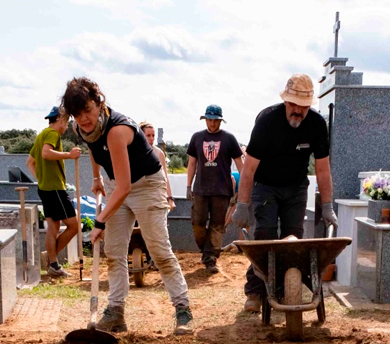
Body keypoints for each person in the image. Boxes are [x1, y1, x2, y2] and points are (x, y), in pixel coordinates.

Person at [60, 77, 193, 335]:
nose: (84, 119)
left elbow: (125, 188)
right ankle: (115, 313)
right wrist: (97, 178)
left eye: (87, 110)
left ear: (99, 103)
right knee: (114, 251)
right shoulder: (81, 128)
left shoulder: (118, 130)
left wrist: (99, 222)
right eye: (77, 114)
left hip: (146, 185)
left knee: (158, 250)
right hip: (116, 183)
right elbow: (93, 149)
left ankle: (183, 310)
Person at [228, 74, 336, 313]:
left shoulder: (317, 125)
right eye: (293, 104)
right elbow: (249, 169)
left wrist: (327, 206)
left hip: (296, 188)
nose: (297, 110)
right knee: (265, 236)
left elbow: (322, 169)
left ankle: (284, 289)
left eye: (303, 106)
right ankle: (256, 291)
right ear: (285, 102)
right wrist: (242, 204)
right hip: (265, 186)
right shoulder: (267, 121)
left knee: (292, 239)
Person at [186, 105, 243, 275]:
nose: (212, 123)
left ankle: (211, 259)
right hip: (201, 189)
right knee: (198, 222)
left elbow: (240, 164)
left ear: (220, 120)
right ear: (205, 119)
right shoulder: (197, 137)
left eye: (215, 120)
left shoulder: (229, 138)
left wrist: (245, 187)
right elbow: (192, 163)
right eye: (209, 120)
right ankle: (205, 251)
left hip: (222, 189)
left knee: (217, 225)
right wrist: (189, 186)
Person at [26, 106, 82, 278]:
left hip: (45, 188)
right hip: (55, 188)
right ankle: (51, 260)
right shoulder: (52, 134)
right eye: (66, 122)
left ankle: (53, 264)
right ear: (60, 119)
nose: (66, 126)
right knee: (74, 226)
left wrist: (41, 179)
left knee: (54, 226)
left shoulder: (41, 135)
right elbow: (46, 154)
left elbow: (30, 162)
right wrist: (69, 155)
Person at [138, 122, 176, 211]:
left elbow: (165, 178)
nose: (151, 138)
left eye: (153, 135)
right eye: (148, 135)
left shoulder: (159, 154)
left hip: (155, 196)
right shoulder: (133, 152)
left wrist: (170, 198)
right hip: (138, 196)